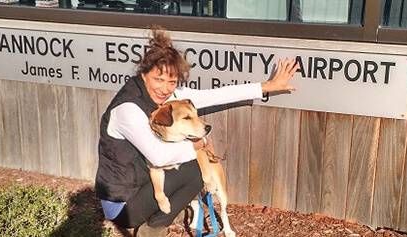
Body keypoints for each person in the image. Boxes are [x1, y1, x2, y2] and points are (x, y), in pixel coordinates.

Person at [95, 26, 299, 237]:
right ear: (144, 74)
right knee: (194, 171)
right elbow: (158, 156)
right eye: (159, 79)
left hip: (143, 184)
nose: (165, 88)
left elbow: (215, 95)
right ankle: (151, 230)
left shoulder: (168, 99)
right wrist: (197, 144)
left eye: (172, 82)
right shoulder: (128, 108)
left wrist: (267, 86)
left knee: (195, 169)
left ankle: (156, 221)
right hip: (122, 204)